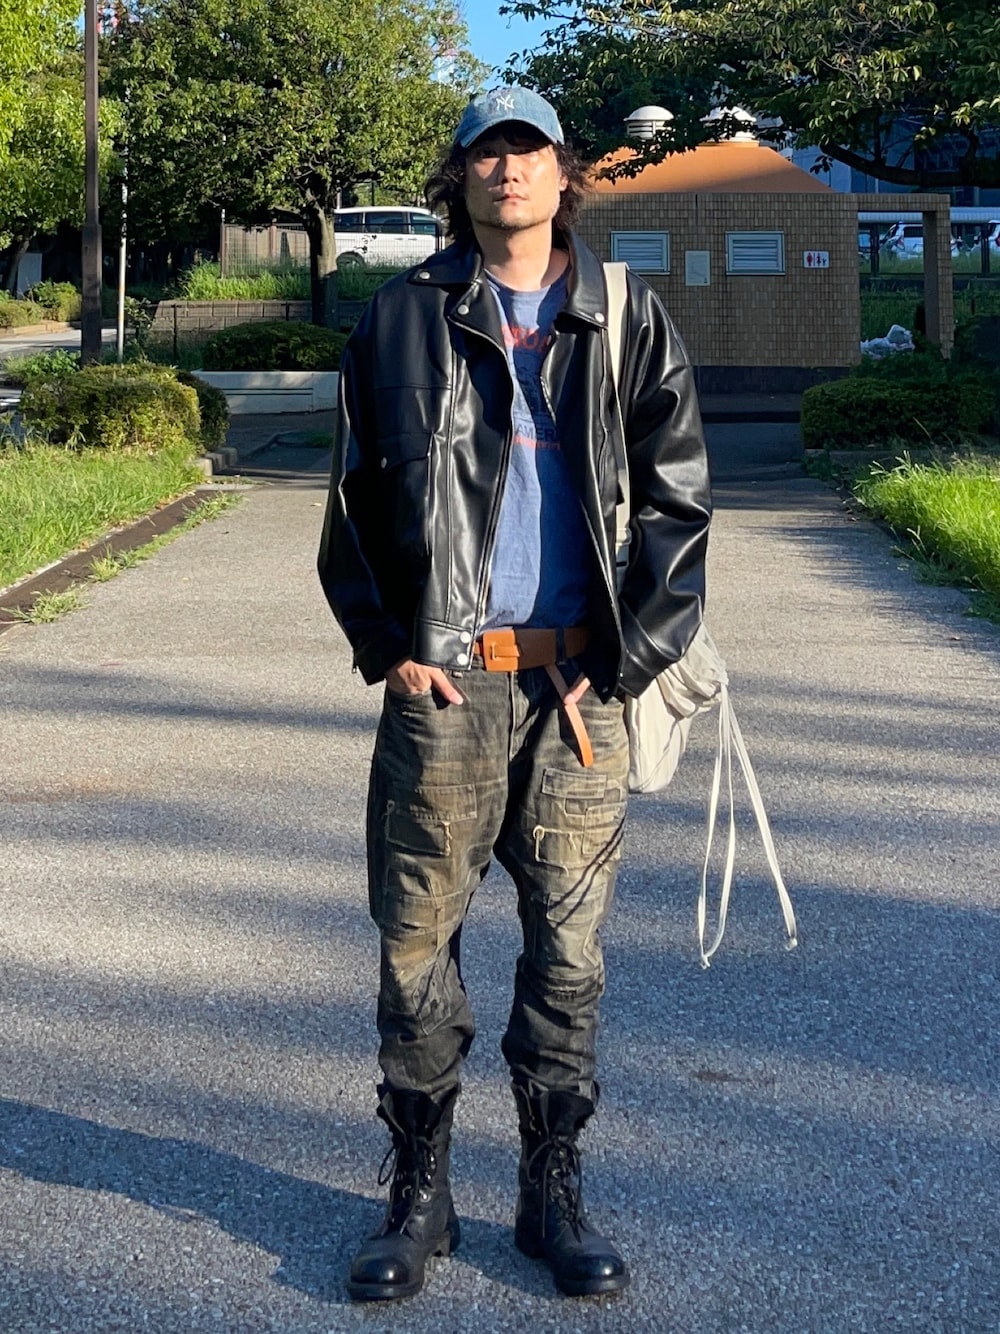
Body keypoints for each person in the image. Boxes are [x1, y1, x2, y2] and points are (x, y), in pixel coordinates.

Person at [317, 86, 712, 1303]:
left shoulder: (626, 314)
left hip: (578, 690)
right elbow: (350, 501)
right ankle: (419, 1190)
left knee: (570, 953)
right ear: (460, 179)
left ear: (563, 172)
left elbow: (678, 504)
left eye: (528, 148)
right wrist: (386, 646)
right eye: (486, 151)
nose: (508, 169)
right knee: (413, 944)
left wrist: (628, 656)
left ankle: (552, 1188)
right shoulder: (400, 316)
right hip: (445, 686)